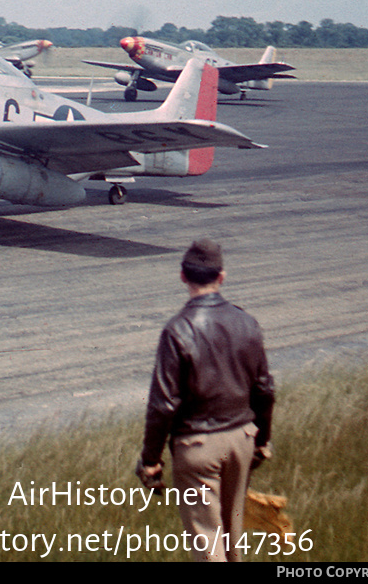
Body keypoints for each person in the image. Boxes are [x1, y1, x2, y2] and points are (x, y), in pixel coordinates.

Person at [136, 238, 275, 562]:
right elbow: (265, 390)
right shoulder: (247, 322)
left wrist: (151, 459)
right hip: (241, 439)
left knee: (208, 547)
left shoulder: (178, 330)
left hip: (197, 447)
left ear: (183, 276)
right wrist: (261, 440)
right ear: (221, 277)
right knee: (232, 541)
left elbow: (163, 404)